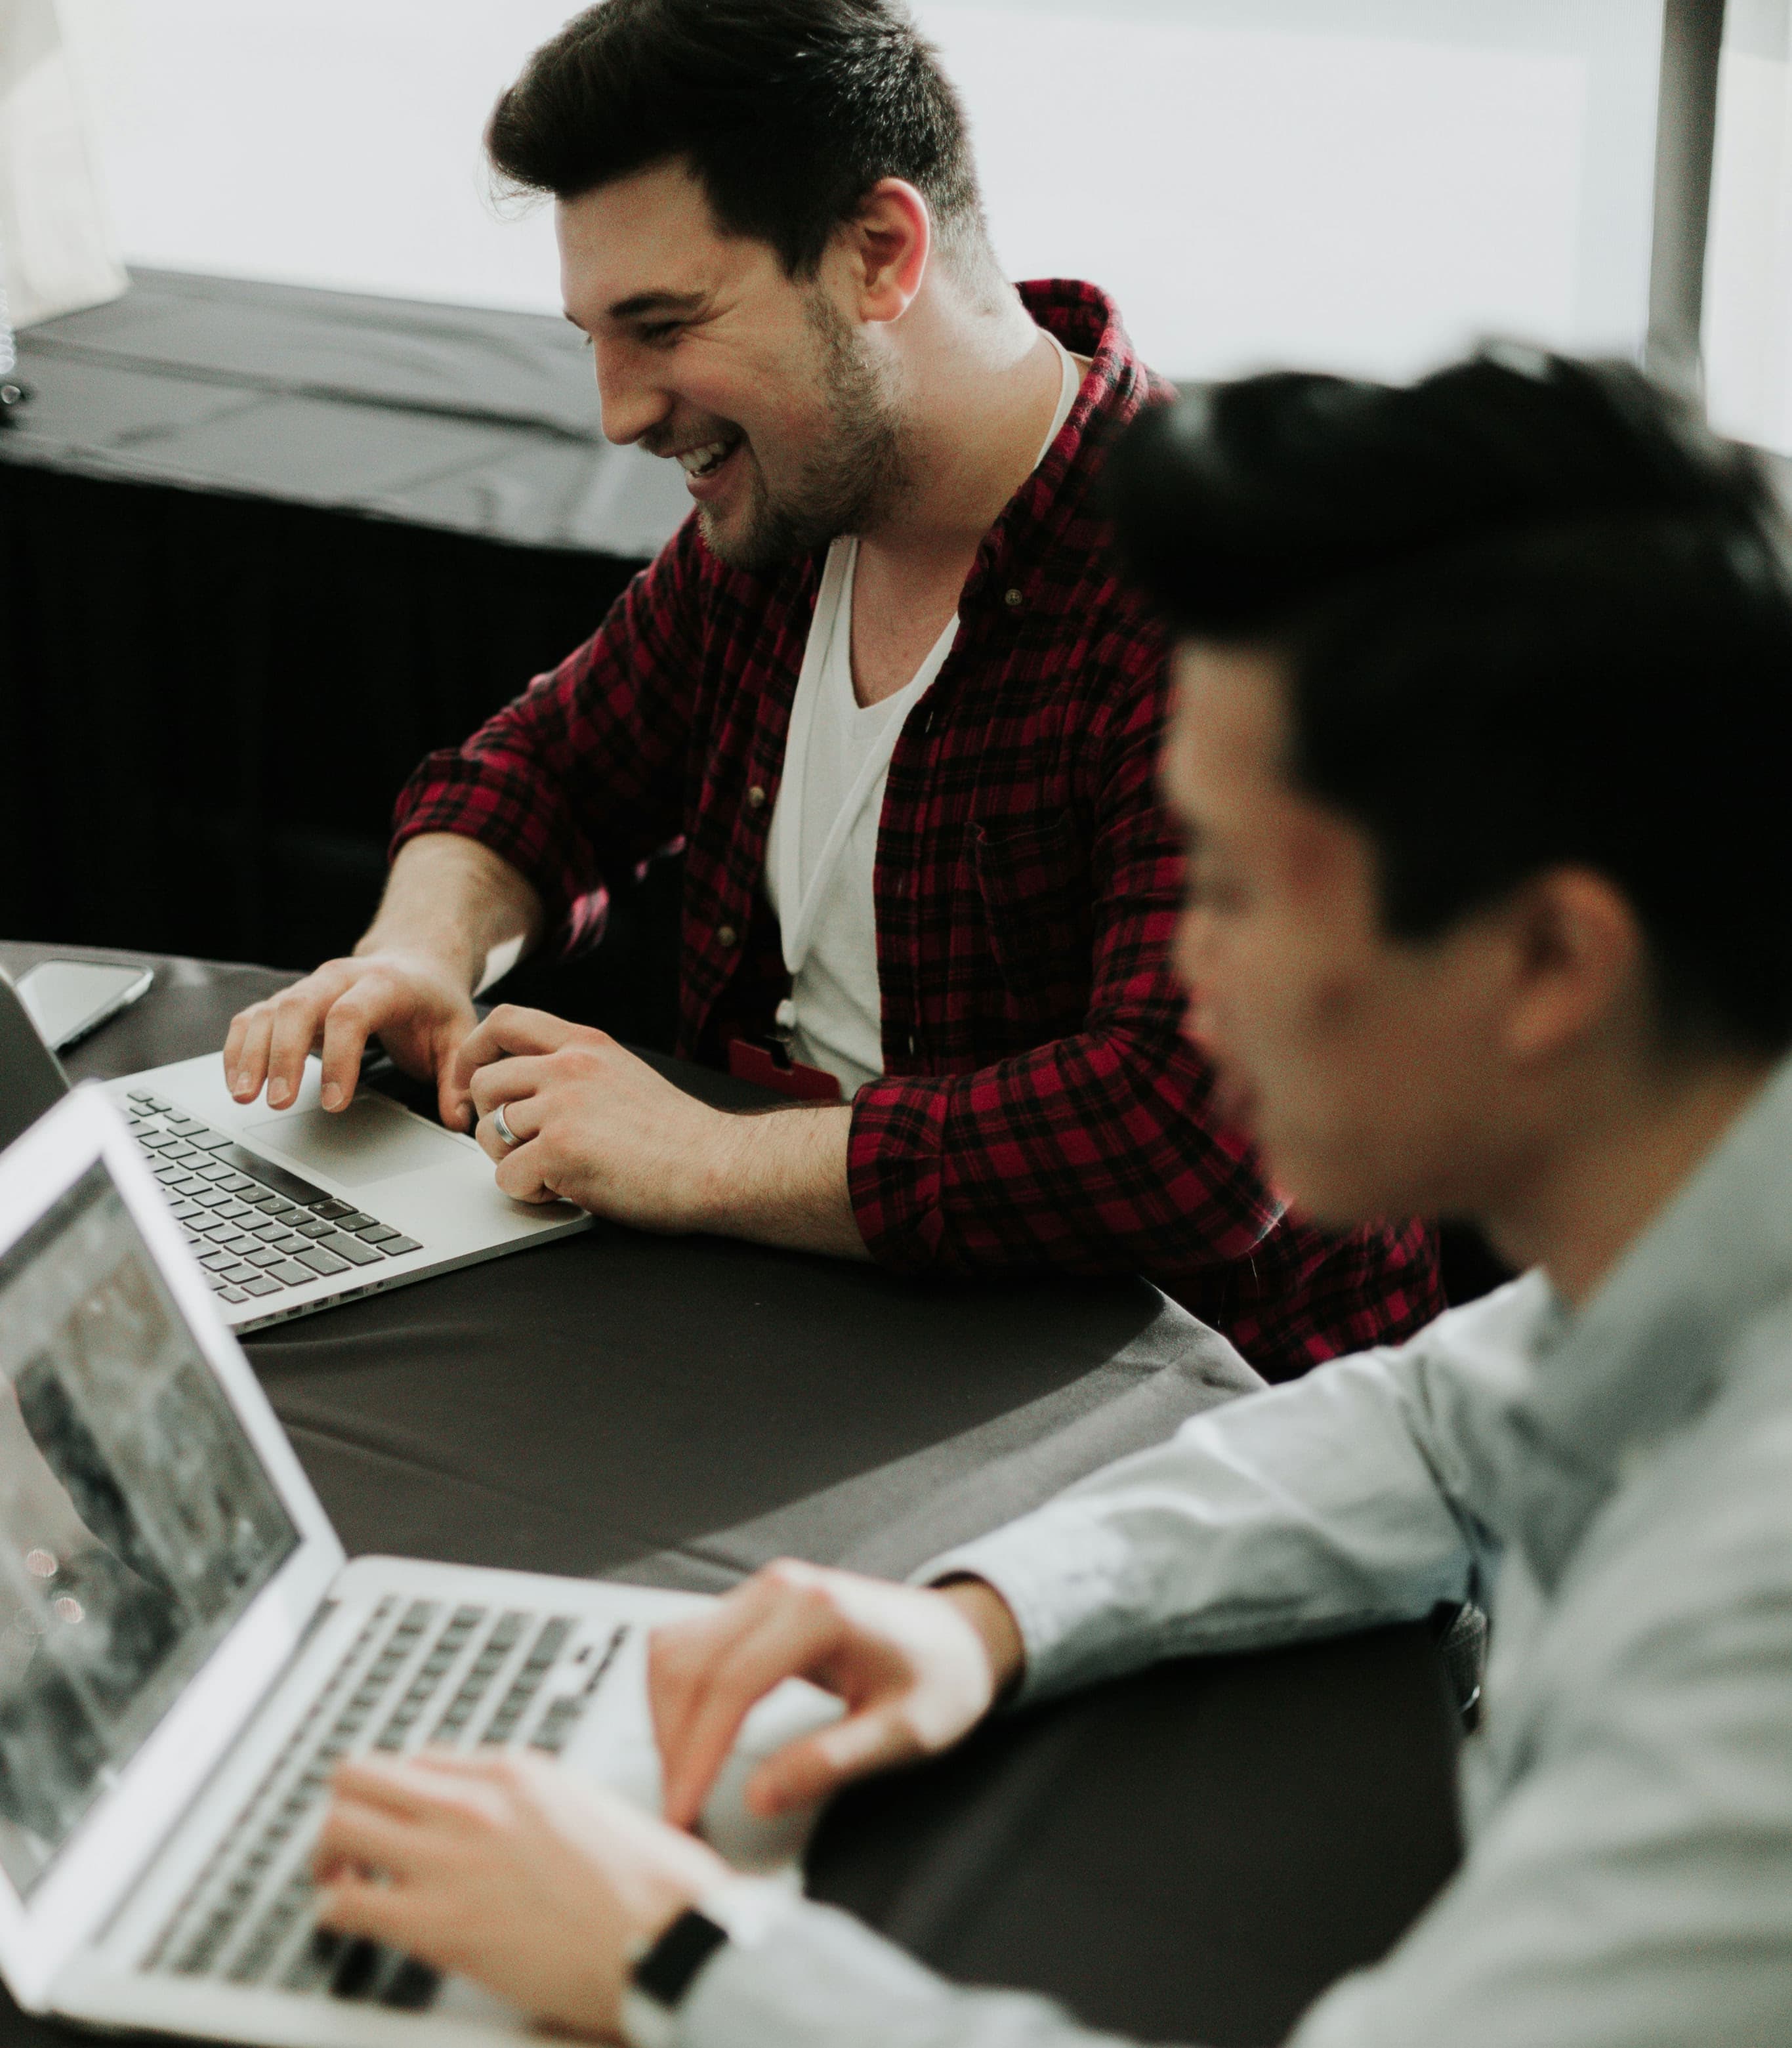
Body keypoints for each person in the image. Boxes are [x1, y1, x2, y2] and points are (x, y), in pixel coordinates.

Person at [308, 347, 1792, 2046]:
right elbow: (1442, 1428)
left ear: (1548, 962)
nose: (1183, 970)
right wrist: (984, 1614)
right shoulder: (1695, 1233)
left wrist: (678, 1957)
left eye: (1227, 883)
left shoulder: (1754, 1645)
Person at [218, 0, 1439, 1379]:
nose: (617, 412)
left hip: (1174, 1419)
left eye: (662, 325)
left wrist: (710, 1159)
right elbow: (544, 771)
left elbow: (1190, 1136)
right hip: (813, 1328)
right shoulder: (788, 518)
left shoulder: (1231, 595)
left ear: (878, 255)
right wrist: (417, 951)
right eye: (593, 338)